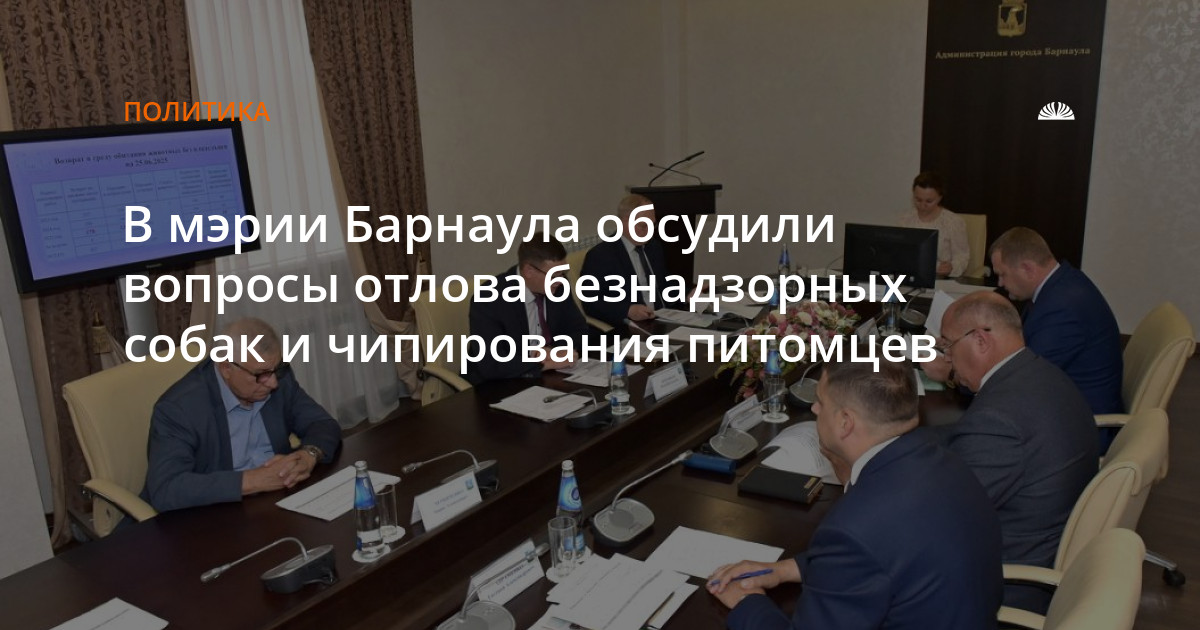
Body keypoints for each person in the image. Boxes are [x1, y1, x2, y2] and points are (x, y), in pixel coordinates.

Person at [708, 353, 1003, 630]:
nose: (814, 409)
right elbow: (887, 556)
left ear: (845, 422)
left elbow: (866, 547)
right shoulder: (945, 460)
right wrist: (788, 569)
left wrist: (747, 603)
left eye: (820, 402)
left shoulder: (852, 530)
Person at [936, 291, 1098, 612]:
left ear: (981, 340)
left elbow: (942, 518)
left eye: (947, 346)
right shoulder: (1042, 374)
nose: (947, 359)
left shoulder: (997, 420)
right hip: (1044, 538)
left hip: (1004, 580)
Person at [142, 318, 342, 512]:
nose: (273, 383)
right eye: (261, 374)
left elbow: (322, 423)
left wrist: (309, 455)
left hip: (279, 502)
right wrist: (254, 480)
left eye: (276, 369)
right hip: (215, 514)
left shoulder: (277, 375)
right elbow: (166, 489)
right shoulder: (179, 408)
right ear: (226, 368)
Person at [989, 226, 1124, 414]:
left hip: (1080, 422)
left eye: (1002, 274)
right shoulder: (1064, 283)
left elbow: (1022, 378)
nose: (1000, 283)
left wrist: (961, 373)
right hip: (1064, 405)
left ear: (1027, 269)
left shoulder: (1062, 307)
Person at [467, 233, 589, 383]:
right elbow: (492, 364)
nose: (560, 280)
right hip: (498, 384)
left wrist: (555, 350)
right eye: (554, 275)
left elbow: (579, 330)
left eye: (563, 273)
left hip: (547, 377)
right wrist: (542, 363)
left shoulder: (558, 286)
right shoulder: (489, 299)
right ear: (529, 271)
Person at [580, 194, 683, 327]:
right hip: (635, 325)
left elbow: (664, 283)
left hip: (664, 317)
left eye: (652, 225)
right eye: (643, 226)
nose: (650, 231)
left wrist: (687, 294)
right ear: (624, 222)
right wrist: (627, 311)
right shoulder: (601, 255)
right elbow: (590, 301)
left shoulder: (654, 247)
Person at [898, 171, 969, 278]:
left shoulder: (953, 222)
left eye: (929, 201)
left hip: (941, 279)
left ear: (940, 198)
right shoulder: (905, 219)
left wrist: (951, 267)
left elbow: (962, 257)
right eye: (918, 200)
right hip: (910, 276)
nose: (922, 205)